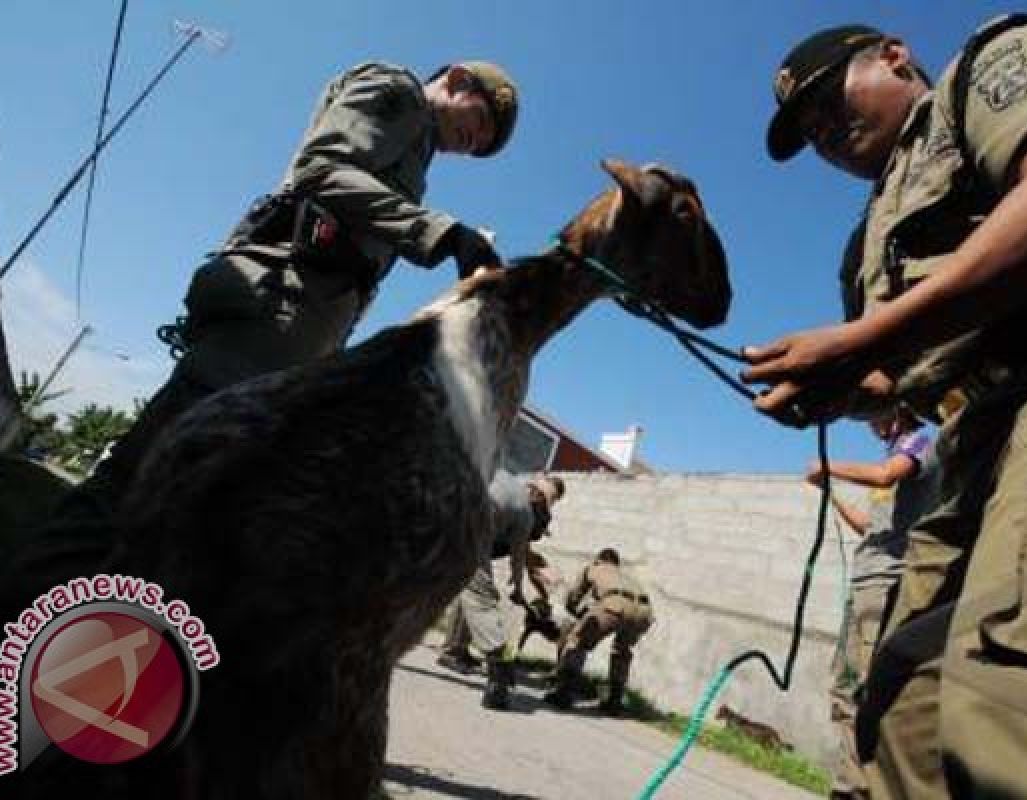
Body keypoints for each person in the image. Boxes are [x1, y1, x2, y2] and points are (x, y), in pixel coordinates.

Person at [745, 16, 1027, 798]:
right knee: (906, 711)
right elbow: (904, 378)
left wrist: (862, 341)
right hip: (981, 434)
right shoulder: (866, 244)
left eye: (825, 99)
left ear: (893, 56)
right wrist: (834, 389)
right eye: (807, 131)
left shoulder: (988, 66)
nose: (823, 130)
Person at [90, 59, 520, 512]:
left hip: (304, 316)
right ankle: (51, 577)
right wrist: (445, 233)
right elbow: (322, 171)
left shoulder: (416, 144)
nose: (474, 144)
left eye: (481, 146)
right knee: (149, 471)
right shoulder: (400, 94)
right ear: (456, 82)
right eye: (482, 122)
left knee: (188, 487)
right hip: (281, 299)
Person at [813, 407, 938, 799]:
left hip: (885, 583)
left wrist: (829, 466)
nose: (870, 426)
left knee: (863, 690)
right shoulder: (893, 460)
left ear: (899, 411)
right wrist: (828, 492)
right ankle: (849, 784)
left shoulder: (919, 442)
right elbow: (867, 524)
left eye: (873, 417)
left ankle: (859, 788)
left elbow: (885, 475)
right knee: (845, 687)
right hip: (865, 583)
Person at [438, 471, 564, 710]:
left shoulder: (506, 478)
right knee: (482, 597)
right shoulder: (526, 516)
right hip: (470, 530)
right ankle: (499, 668)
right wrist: (517, 589)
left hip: (447, 510)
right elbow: (519, 560)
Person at [545, 547, 653, 715]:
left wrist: (574, 613)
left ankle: (564, 693)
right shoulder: (625, 576)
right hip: (644, 611)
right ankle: (615, 702)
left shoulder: (593, 568)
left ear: (598, 559)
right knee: (622, 652)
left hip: (614, 604)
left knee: (577, 641)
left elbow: (575, 595)